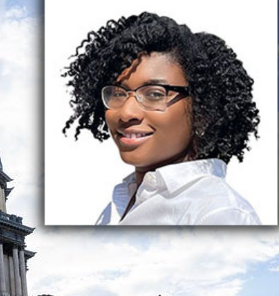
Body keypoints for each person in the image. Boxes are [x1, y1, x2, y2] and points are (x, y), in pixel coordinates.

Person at [62, 12, 261, 225]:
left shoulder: (219, 213)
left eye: (155, 94)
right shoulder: (121, 203)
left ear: (203, 111)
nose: (126, 113)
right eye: (118, 93)